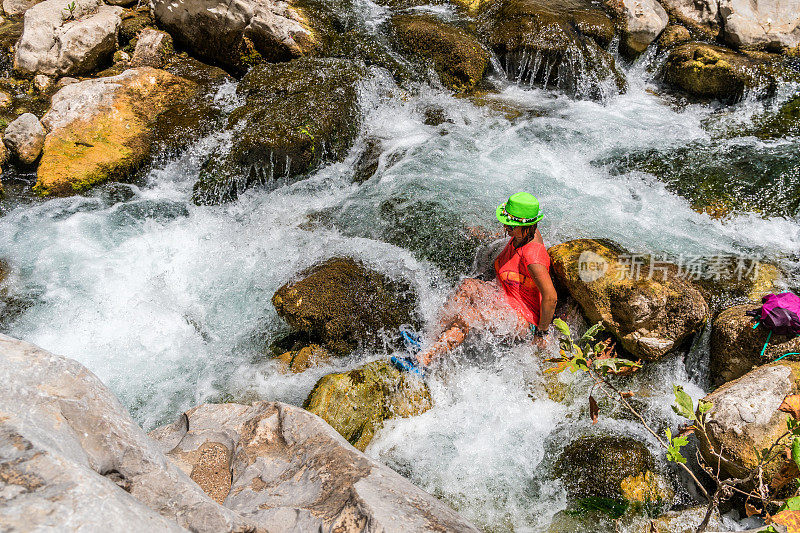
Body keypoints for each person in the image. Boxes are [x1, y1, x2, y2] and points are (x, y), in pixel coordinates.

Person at [393, 192, 557, 372]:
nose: (506, 226)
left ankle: (423, 361)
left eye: (511, 224)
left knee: (468, 315)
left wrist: (542, 333)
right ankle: (427, 339)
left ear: (527, 225)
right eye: (507, 221)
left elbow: (551, 297)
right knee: (467, 285)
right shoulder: (524, 234)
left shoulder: (533, 257)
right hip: (506, 295)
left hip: (524, 318)